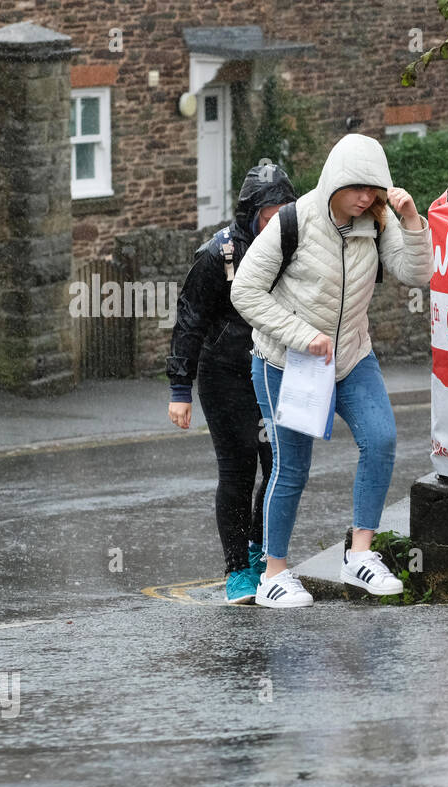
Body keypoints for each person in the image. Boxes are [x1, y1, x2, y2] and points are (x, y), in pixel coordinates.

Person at [231, 134, 433, 609]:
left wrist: (411, 221)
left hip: (350, 357)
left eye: (374, 188)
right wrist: (302, 336)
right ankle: (274, 574)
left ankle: (360, 555)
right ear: (335, 181)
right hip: (289, 362)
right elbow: (245, 292)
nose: (366, 197)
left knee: (380, 439)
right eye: (357, 187)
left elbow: (416, 273)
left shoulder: (377, 222)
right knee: (292, 467)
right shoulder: (292, 222)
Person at [167, 163, 297, 604]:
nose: (275, 220)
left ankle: (262, 551)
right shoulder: (218, 253)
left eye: (283, 210)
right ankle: (237, 569)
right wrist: (180, 389)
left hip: (274, 367)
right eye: (267, 212)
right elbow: (190, 319)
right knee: (237, 470)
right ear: (250, 213)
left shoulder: (294, 246)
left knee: (278, 464)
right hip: (224, 375)